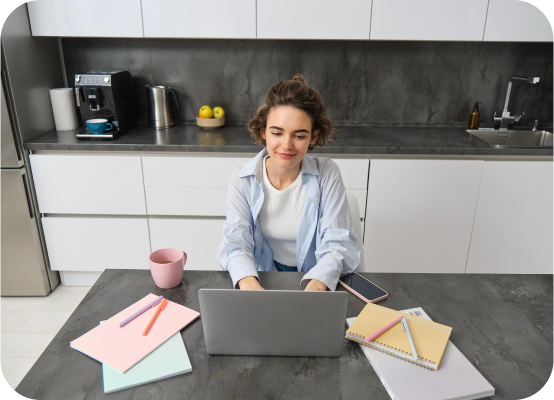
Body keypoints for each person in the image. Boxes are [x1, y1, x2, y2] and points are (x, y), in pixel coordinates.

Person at [216, 73, 360, 291]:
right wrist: (248, 285)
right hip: (261, 278)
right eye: (277, 133)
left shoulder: (328, 173)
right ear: (263, 132)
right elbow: (236, 242)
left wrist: (318, 286)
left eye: (299, 136)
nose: (286, 145)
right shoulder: (242, 179)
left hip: (313, 278)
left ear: (313, 137)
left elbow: (337, 244)